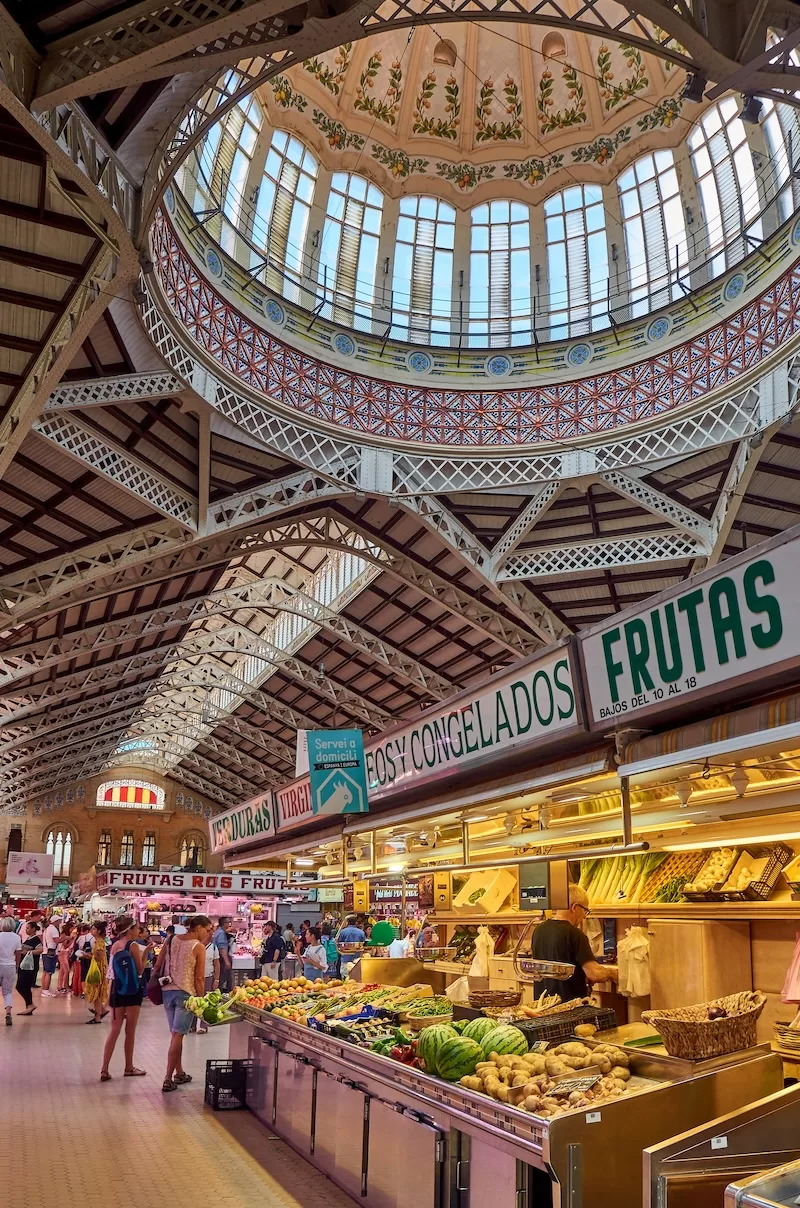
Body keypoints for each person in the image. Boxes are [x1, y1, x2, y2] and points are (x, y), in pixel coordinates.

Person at [153, 914, 212, 1093]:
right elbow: (200, 978)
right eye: (208, 930)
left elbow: (157, 965)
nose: (208, 934)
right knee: (177, 1036)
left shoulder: (171, 940)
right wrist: (201, 1001)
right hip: (185, 995)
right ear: (199, 928)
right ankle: (167, 1078)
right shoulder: (198, 947)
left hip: (167, 992)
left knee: (176, 1035)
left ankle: (179, 1072)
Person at [531, 883, 618, 1002]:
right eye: (585, 911)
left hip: (542, 1006)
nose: (584, 917)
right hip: (568, 1008)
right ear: (574, 907)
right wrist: (612, 973)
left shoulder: (539, 930)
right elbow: (594, 974)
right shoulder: (575, 934)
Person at [100, 916, 146, 1081]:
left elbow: (112, 971)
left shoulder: (114, 946)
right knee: (130, 1031)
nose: (138, 931)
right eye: (137, 928)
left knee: (114, 1030)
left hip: (117, 992)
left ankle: (104, 1069)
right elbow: (140, 971)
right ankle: (129, 1067)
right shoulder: (133, 946)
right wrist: (145, 954)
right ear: (130, 930)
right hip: (133, 992)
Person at [84, 922, 109, 1024]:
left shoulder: (99, 942)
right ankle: (102, 1010)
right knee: (96, 992)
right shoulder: (98, 941)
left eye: (94, 929)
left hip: (98, 970)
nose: (91, 931)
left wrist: (87, 955)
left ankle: (97, 1016)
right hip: (99, 968)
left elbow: (99, 957)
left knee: (96, 993)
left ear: (99, 931)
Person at [15, 922, 42, 1015]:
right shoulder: (28, 939)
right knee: (25, 986)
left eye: (28, 928)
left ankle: (30, 1005)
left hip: (29, 967)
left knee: (20, 986)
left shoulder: (36, 939)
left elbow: (40, 950)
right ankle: (29, 1006)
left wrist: (28, 952)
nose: (26, 930)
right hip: (24, 966)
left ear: (33, 929)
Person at [0, 916, 21, 1025]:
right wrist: (17, 965)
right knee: (7, 992)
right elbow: (18, 953)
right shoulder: (17, 937)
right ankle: (8, 1013)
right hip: (10, 966)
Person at [40, 915, 60, 997]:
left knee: (45, 972)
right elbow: (57, 940)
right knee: (49, 972)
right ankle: (45, 990)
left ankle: (44, 989)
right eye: (59, 921)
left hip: (45, 952)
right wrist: (66, 938)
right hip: (51, 953)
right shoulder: (53, 929)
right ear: (55, 921)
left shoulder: (47, 929)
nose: (60, 923)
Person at [212, 917, 232, 992]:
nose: (229, 924)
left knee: (221, 978)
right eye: (228, 922)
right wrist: (227, 961)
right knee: (221, 979)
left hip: (219, 958)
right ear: (224, 924)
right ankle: (219, 995)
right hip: (221, 959)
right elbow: (222, 948)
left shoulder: (219, 931)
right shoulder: (221, 933)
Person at [73, 924, 93, 996]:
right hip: (90, 957)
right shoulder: (93, 938)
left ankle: (81, 991)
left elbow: (77, 947)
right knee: (88, 974)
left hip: (81, 957)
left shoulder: (80, 938)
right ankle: (87, 991)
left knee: (81, 975)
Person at [56, 924, 74, 994]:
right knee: (67, 970)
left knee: (62, 971)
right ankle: (65, 986)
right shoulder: (64, 935)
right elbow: (65, 946)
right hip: (63, 953)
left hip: (64, 954)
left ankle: (60, 986)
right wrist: (72, 941)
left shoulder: (66, 935)